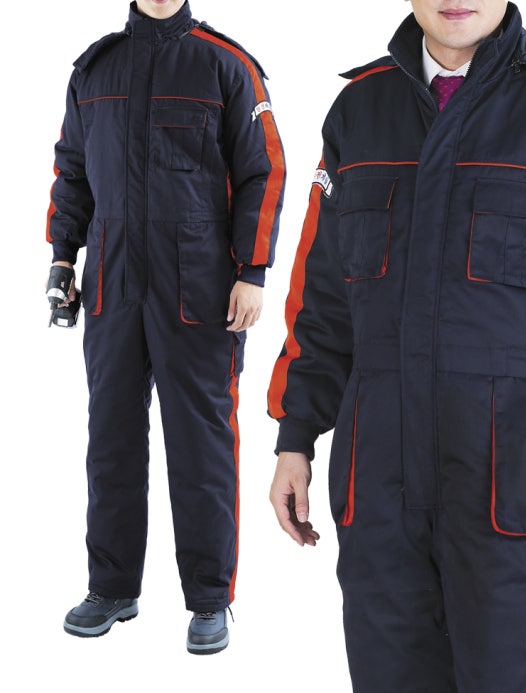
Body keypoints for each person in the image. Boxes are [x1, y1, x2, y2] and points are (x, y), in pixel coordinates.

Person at [267, 0, 526, 689]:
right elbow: (322, 297)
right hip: (378, 498)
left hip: (516, 499)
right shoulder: (358, 111)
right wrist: (296, 438)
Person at [46, 0, 285, 654]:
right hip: (112, 281)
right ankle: (111, 587)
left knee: (201, 444)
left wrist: (252, 270)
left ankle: (209, 599)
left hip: (201, 288)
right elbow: (71, 169)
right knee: (111, 441)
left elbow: (264, 169)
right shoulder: (94, 69)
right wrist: (63, 257)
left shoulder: (225, 65)